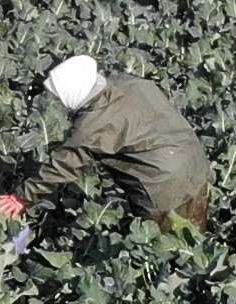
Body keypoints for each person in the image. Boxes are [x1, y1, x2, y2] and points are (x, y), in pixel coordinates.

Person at [13, 55, 212, 228]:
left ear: (73, 95)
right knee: (195, 232)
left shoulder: (94, 123)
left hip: (162, 186)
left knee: (170, 245)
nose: (59, 103)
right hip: (193, 161)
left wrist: (22, 197)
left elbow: (64, 166)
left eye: (60, 99)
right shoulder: (127, 82)